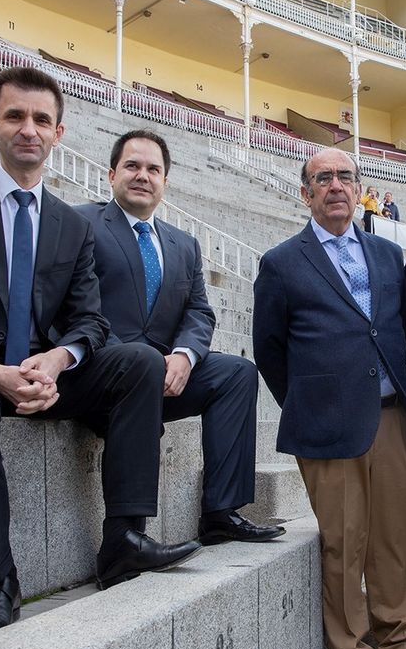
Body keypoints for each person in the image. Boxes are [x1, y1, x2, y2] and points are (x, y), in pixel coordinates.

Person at [0, 68, 201, 639]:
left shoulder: (71, 225)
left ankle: (123, 541)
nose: (28, 130)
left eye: (41, 120)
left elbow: (91, 320)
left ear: (59, 132)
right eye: (14, 116)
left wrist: (60, 359)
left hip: (41, 371)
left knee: (138, 360)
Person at [253, 149, 406, 649]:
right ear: (306, 193)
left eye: (345, 177)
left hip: (391, 415)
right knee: (343, 540)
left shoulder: (387, 255)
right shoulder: (282, 262)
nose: (335, 186)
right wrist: (310, 403)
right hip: (327, 423)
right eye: (322, 178)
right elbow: (270, 351)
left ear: (360, 190)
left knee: (398, 537)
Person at [73, 129, 283, 546]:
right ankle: (128, 537)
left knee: (237, 373)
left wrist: (184, 356)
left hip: (166, 378)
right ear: (111, 173)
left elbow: (199, 311)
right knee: (142, 365)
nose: (142, 176)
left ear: (165, 181)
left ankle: (221, 512)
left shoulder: (183, 244)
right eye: (132, 166)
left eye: (154, 169)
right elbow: (77, 307)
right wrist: (136, 363)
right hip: (104, 374)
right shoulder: (82, 224)